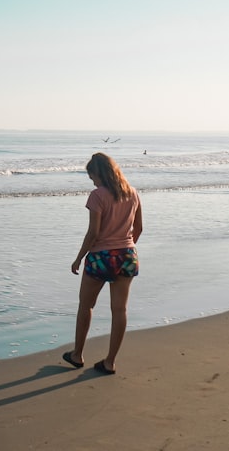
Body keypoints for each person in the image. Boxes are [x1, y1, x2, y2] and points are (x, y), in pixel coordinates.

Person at [62, 152, 143, 375]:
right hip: (127, 255)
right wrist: (123, 246)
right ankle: (110, 361)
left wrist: (79, 257)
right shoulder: (133, 193)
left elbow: (93, 233)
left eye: (93, 176)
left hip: (101, 257)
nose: (93, 181)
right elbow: (138, 229)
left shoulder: (97, 196)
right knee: (119, 310)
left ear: (100, 174)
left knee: (86, 306)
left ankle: (77, 355)